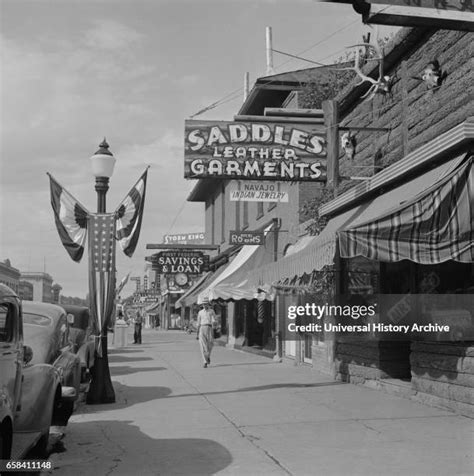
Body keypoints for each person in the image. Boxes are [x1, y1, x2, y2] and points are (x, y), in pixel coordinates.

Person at [196, 298, 217, 368]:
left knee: (211, 344)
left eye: (206, 304)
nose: (205, 305)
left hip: (210, 328)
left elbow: (215, 320)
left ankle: (207, 356)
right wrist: (197, 333)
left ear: (208, 304)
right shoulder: (200, 312)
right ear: (202, 305)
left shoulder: (211, 311)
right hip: (202, 328)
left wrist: (214, 323)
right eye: (204, 304)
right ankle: (205, 362)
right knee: (203, 345)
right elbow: (198, 323)